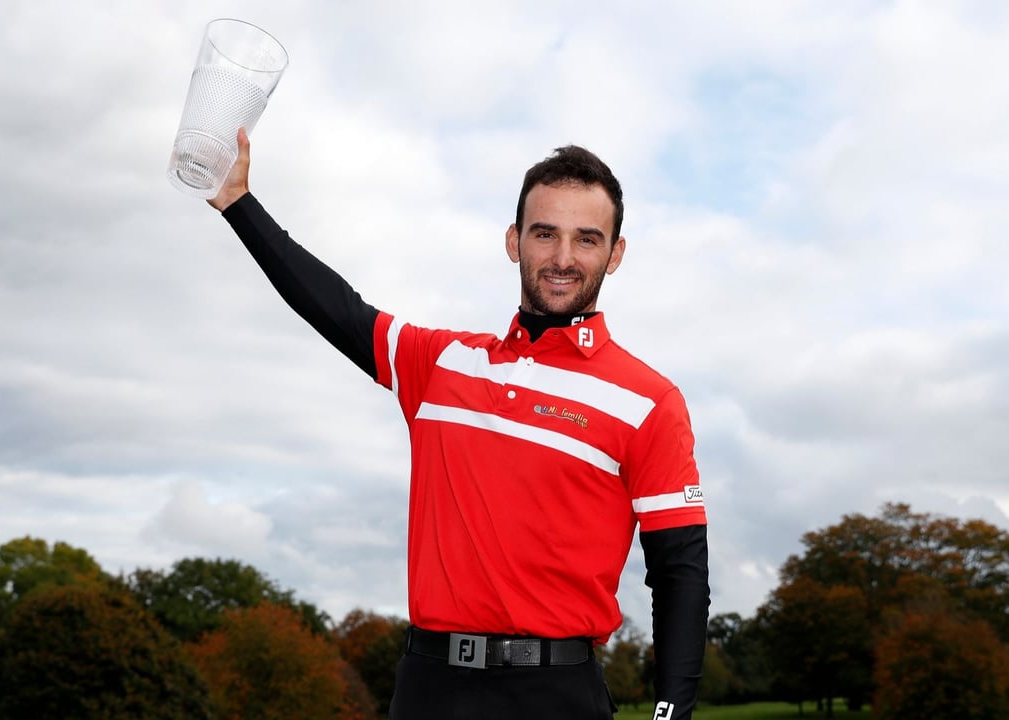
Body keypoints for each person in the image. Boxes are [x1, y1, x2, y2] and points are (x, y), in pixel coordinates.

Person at [207, 128, 709, 720]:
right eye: (544, 233)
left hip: (557, 697)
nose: (563, 258)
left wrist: (670, 712)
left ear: (615, 254)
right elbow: (334, 307)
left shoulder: (650, 400)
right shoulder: (443, 363)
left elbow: (679, 572)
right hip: (428, 690)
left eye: (587, 239)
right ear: (513, 241)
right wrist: (239, 203)